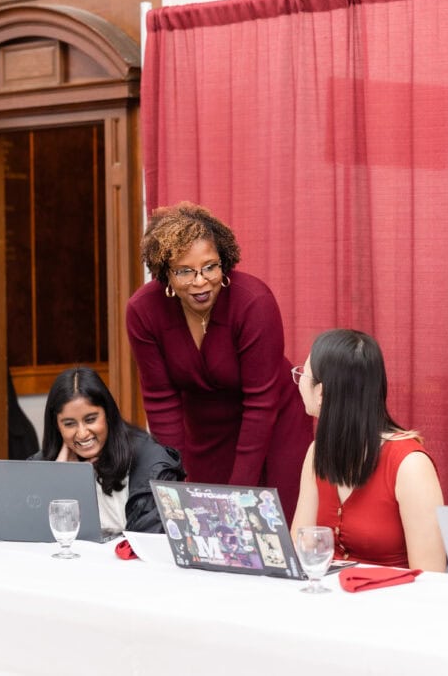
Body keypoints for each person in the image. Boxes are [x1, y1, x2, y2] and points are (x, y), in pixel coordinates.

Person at [126, 201, 311, 520]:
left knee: (269, 525)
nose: (200, 281)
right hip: (205, 432)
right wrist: (175, 482)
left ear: (224, 262)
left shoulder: (254, 303)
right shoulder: (143, 312)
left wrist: (239, 496)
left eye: (210, 266)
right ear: (165, 273)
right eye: (185, 271)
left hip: (275, 422)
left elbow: (260, 403)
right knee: (203, 521)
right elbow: (161, 403)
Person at [289, 329, 446, 571]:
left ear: (321, 393)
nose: (298, 383)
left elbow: (430, 576)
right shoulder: (317, 453)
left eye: (303, 375)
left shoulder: (410, 465)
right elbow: (301, 553)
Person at [30, 366, 185, 533]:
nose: (82, 433)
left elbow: (153, 539)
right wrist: (61, 483)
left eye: (90, 419)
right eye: (69, 424)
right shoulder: (42, 466)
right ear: (57, 426)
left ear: (108, 414)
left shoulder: (153, 465)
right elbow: (35, 539)